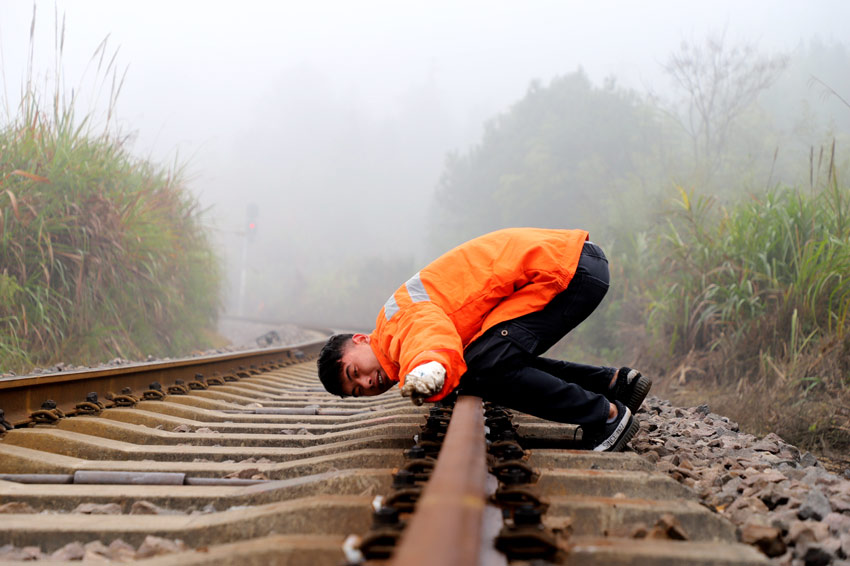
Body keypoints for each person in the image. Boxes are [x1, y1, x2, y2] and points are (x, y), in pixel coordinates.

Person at [317, 227, 651, 452]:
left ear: (360, 340)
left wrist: (428, 370)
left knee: (483, 368)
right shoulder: (393, 338)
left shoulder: (396, 323)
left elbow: (430, 337)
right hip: (572, 263)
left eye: (353, 372)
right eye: (359, 389)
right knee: (489, 360)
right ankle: (615, 385)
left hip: (564, 270)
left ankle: (605, 417)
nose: (368, 381)